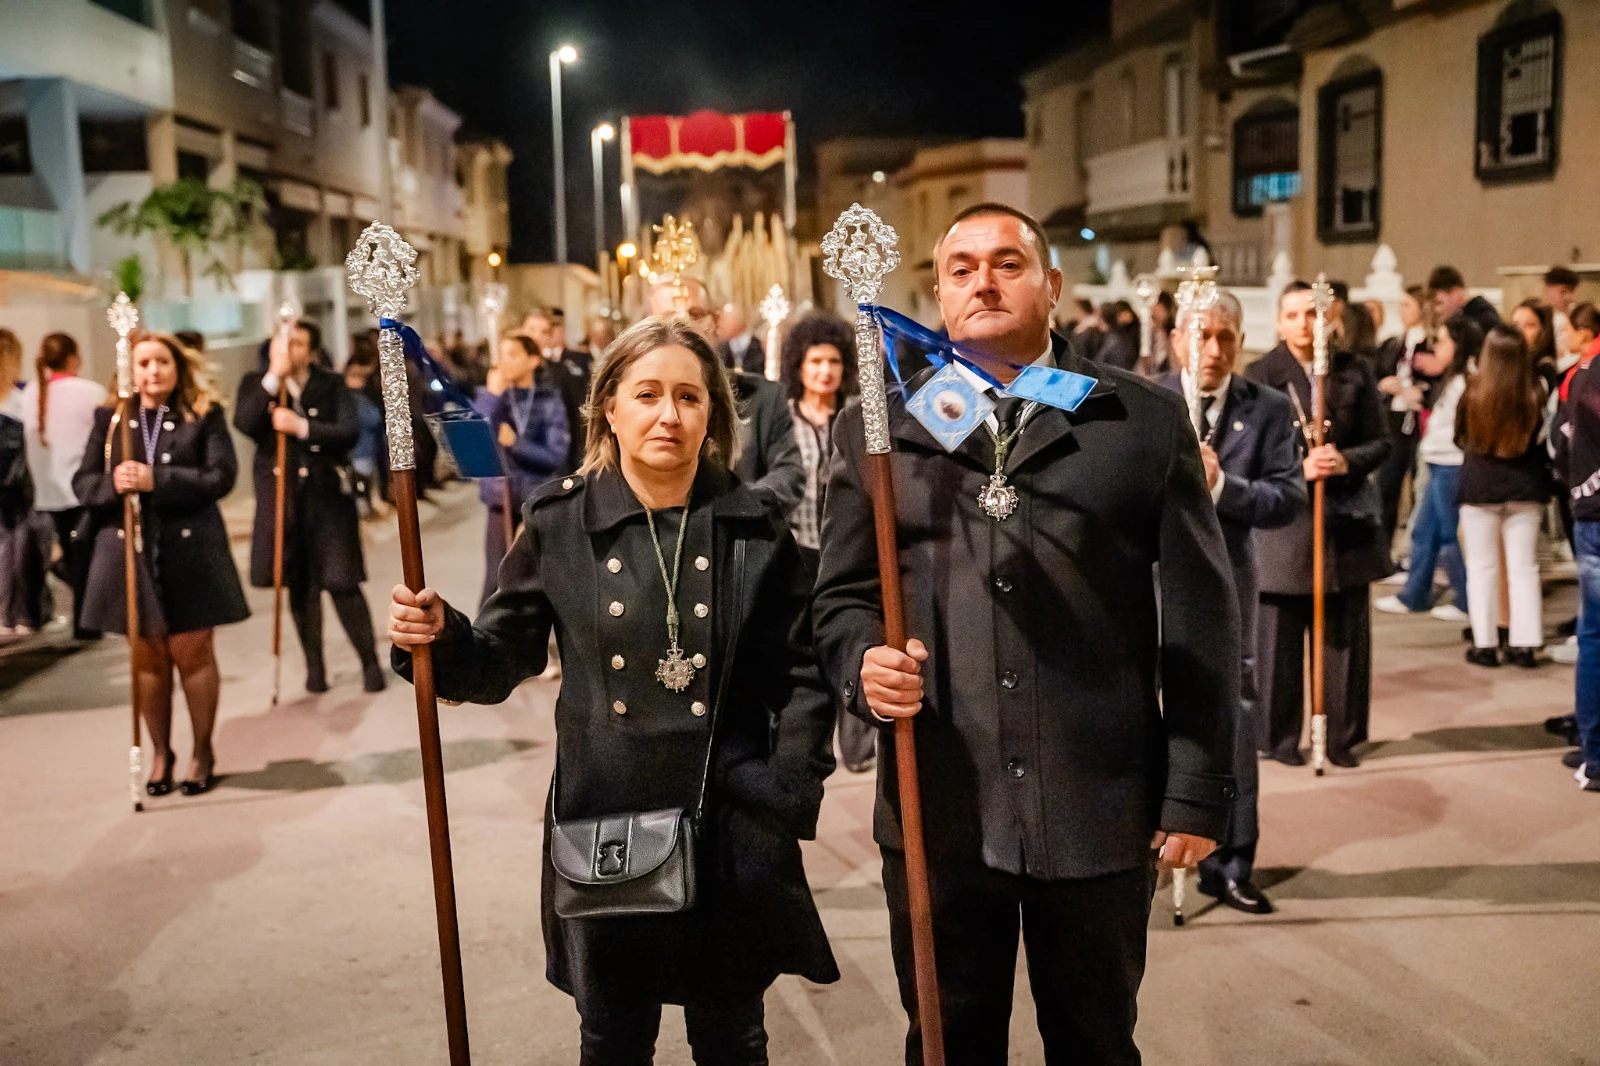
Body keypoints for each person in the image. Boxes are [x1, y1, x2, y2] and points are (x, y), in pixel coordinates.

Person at [814, 203, 1238, 1063]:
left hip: (1098, 805)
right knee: (946, 1042)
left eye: (1007, 262)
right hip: (942, 806)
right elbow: (842, 597)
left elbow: (1201, 614)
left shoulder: (1138, 421)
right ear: (938, 293)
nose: (983, 280)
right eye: (962, 267)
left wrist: (1196, 786)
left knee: (1094, 1041)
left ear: (1051, 284)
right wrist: (864, 663)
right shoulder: (886, 428)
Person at [388, 316, 839, 1059]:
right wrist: (441, 636)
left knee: (733, 1038)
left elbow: (801, 674)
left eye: (690, 398)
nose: (669, 415)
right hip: (606, 823)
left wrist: (784, 788)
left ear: (714, 416)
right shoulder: (560, 521)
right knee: (612, 1040)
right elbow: (501, 658)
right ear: (608, 408)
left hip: (729, 822)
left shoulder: (756, 528)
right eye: (649, 394)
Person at [1159, 289, 1306, 915]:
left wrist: (1221, 483)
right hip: (1150, 585)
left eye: (1224, 337)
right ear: (1174, 338)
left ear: (1240, 342)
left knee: (1232, 723)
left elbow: (1286, 499)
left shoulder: (1267, 409)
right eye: (1199, 334)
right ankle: (1146, 851)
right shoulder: (1145, 398)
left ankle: (1232, 860)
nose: (1212, 349)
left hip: (1229, 589)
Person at [73, 332, 248, 794]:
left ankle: (202, 752)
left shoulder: (202, 415)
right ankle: (160, 753)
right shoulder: (111, 420)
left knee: (192, 652)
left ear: (178, 367)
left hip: (190, 550)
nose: (153, 371)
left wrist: (159, 479)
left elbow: (221, 475)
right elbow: (84, 482)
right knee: (147, 657)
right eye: (144, 362)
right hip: (128, 550)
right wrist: (116, 482)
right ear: (130, 368)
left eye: (162, 361)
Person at [1247, 281, 1391, 769]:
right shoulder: (1260, 375)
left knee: (1342, 638)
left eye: (1312, 314)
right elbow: (1247, 455)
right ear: (1279, 322)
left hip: (1343, 521)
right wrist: (1297, 467)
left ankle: (1339, 737)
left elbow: (1381, 442)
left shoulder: (1355, 371)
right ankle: (1278, 735)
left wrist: (1345, 461)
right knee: (1278, 640)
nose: (1304, 325)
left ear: (1329, 318)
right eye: (1293, 315)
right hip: (1285, 526)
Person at [236, 319, 384, 694]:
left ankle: (369, 662)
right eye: (282, 343)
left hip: (328, 498)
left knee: (342, 581)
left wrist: (302, 428)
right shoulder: (257, 385)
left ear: (312, 350)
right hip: (283, 501)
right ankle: (314, 668)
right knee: (300, 587)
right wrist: (273, 376)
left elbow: (348, 432)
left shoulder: (330, 384)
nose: (289, 350)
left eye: (298, 343)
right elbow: (247, 423)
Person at [779, 311, 874, 774]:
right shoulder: (783, 418)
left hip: (848, 546)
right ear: (799, 364)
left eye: (833, 360)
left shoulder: (858, 415)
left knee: (853, 638)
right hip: (799, 547)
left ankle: (858, 746)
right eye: (815, 360)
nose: (824, 370)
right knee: (805, 649)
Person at [647, 279, 805, 518]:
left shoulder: (764, 397)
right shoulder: (638, 403)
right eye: (669, 316)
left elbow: (788, 475)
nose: (685, 325)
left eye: (696, 313)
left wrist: (731, 509)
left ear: (716, 320)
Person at [1457, 324, 1551, 668]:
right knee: (1524, 569)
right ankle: (1524, 646)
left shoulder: (1472, 390)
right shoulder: (1536, 391)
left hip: (1480, 486)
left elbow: (1459, 436)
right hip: (1526, 486)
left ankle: (1485, 644)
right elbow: (1543, 439)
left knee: (1481, 568)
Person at [1375, 316, 1479, 624]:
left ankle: (1467, 600)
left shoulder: (1465, 380)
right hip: (1438, 459)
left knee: (1449, 533)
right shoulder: (1453, 378)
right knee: (1425, 531)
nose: (1437, 348)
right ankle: (1415, 594)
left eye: (1444, 341)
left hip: (1451, 463)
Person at [19, 331, 107, 640]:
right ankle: (86, 624)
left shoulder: (30, 392)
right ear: (73, 357)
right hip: (82, 488)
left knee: (74, 554)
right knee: (84, 555)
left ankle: (85, 622)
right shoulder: (89, 391)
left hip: (48, 491)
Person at [475, 332, 569, 603]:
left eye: (513, 355)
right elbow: (475, 435)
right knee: (495, 578)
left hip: (536, 498)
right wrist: (492, 396)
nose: (505, 362)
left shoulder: (548, 400)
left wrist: (517, 444)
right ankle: (483, 641)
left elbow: (555, 455)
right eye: (501, 355)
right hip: (499, 499)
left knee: (536, 578)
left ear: (533, 360)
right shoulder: (493, 398)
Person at [1552, 329, 1600, 791]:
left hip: (1592, 513)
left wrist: (1577, 490)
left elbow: (1560, 441)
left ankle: (1595, 752)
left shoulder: (1582, 373)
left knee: (1595, 637)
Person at [1374, 285, 1435, 548]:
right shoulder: (1393, 344)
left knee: (1419, 485)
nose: (1401, 311)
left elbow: (1436, 380)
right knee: (1387, 483)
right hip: (1395, 418)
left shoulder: (1431, 343)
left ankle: (1413, 548)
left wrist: (1420, 391)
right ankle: (1383, 547)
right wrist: (1384, 386)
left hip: (1421, 421)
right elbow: (1376, 375)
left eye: (1407, 305)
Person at [0, 328, 46, 637]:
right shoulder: (23, 398)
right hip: (19, 486)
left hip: (16, 485)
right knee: (18, 549)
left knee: (12, 548)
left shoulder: (24, 396)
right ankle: (19, 614)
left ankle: (13, 614)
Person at [525, 309, 592, 474]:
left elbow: (573, 414)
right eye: (532, 330)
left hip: (551, 459)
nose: (536, 336)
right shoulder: (511, 369)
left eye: (544, 332)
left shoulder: (556, 371)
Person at [1428, 265, 1501, 334]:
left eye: (1439, 303)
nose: (1436, 309)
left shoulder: (1482, 318)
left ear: (1455, 293)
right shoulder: (1468, 314)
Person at [1511, 298, 1560, 394]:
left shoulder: (1544, 368)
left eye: (1529, 325)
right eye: (1515, 325)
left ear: (1543, 330)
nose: (1520, 331)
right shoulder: (1510, 359)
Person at [714, 302, 765, 376]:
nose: (720, 325)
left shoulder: (757, 346)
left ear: (735, 320)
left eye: (725, 320)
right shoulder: (721, 348)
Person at [1544, 266, 1579, 358]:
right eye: (1563, 292)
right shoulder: (1536, 318)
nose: (1568, 298)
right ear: (1547, 290)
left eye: (1571, 292)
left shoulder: (1574, 317)